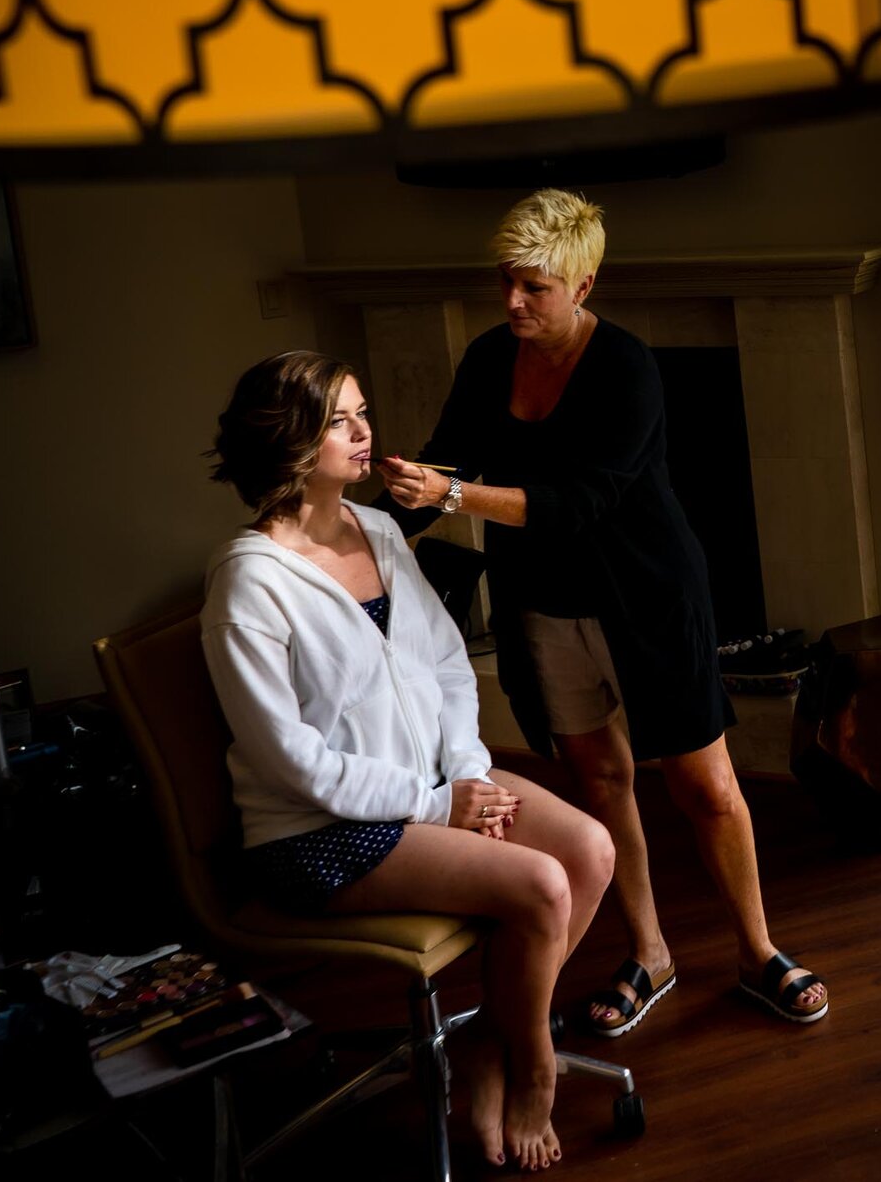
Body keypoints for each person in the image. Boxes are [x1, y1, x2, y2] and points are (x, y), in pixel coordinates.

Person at [376, 188, 828, 1041]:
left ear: (584, 285)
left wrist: (455, 494)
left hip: (648, 598)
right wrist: (371, 518)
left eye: (534, 287)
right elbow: (447, 460)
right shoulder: (486, 358)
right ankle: (649, 952)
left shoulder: (626, 366)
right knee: (603, 782)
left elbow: (575, 503)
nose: (513, 301)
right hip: (542, 606)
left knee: (709, 785)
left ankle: (757, 949)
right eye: (507, 281)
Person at [203, 350, 614, 1173]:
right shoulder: (248, 585)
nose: (366, 432)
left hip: (433, 784)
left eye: (363, 412)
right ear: (289, 440)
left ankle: (491, 1047)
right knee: (541, 885)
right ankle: (529, 1063)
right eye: (341, 420)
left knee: (589, 850)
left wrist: (466, 773)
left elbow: (449, 665)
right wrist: (437, 805)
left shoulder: (381, 530)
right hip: (319, 828)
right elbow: (291, 763)